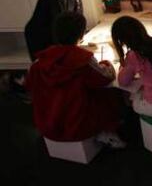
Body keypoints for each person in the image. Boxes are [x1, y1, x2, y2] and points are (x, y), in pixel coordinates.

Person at [24, 12, 125, 148]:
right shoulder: (82, 59)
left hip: (47, 124)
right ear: (81, 35)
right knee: (109, 92)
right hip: (78, 125)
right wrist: (106, 63)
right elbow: (105, 78)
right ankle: (107, 132)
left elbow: (29, 87)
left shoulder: (39, 62)